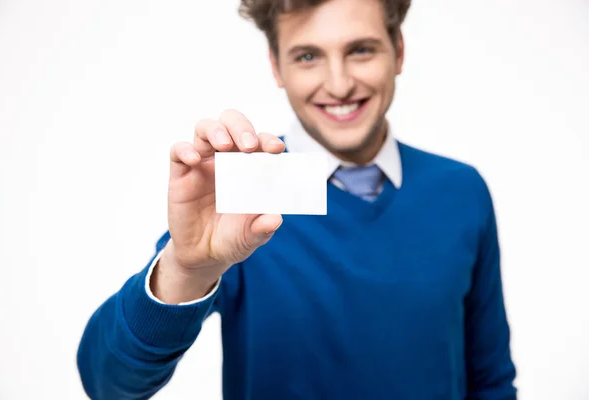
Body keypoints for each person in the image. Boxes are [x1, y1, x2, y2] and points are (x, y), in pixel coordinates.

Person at [77, 0, 517, 398]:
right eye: (308, 56)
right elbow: (108, 383)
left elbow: (491, 380)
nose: (340, 84)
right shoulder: (244, 198)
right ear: (276, 66)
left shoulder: (461, 191)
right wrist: (187, 266)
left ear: (398, 50)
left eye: (361, 49)